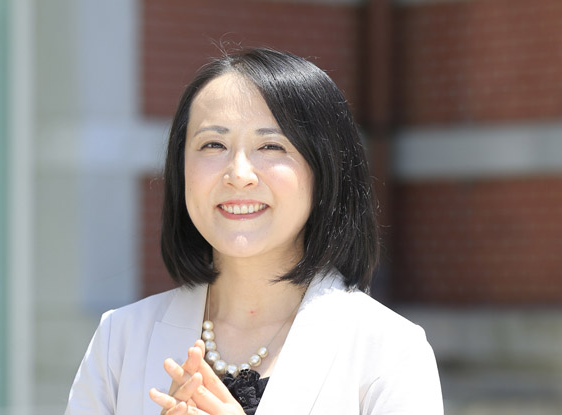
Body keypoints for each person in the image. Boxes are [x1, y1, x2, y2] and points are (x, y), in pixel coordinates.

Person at [65, 48, 443, 415]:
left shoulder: (390, 350)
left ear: (325, 171)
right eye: (213, 144)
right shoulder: (120, 339)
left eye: (271, 146)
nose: (239, 174)